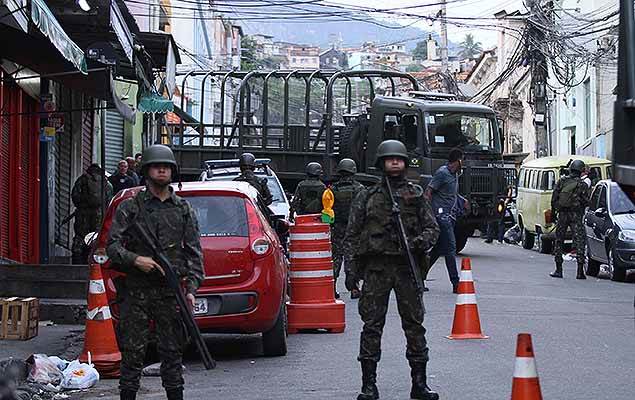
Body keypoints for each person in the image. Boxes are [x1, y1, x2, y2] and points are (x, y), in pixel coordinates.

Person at [106, 144, 204, 400]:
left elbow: (194, 254)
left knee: (172, 354)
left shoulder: (183, 209)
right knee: (133, 354)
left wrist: (191, 290)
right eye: (156, 166)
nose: (162, 170)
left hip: (169, 293)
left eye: (167, 166)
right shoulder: (131, 207)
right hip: (136, 291)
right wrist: (136, 260)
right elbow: (112, 247)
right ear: (146, 170)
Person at [345, 140, 440, 400]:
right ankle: (368, 385)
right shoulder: (367, 196)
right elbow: (352, 235)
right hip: (376, 269)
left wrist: (417, 243)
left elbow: (433, 229)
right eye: (390, 159)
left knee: (414, 325)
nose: (395, 162)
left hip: (406, 269)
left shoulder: (415, 194)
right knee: (372, 326)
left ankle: (419, 384)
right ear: (382, 163)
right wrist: (351, 272)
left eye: (399, 159)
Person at [425, 148, 465, 293]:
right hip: (442, 218)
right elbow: (428, 191)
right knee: (450, 248)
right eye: (462, 160)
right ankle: (455, 283)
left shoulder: (455, 176)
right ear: (458, 161)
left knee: (437, 249)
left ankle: (419, 277)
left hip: (451, 216)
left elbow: (451, 194)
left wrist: (462, 200)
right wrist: (429, 213)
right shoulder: (442, 173)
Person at [550, 159, 590, 279]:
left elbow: (554, 198)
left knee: (559, 241)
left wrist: (554, 213)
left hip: (562, 214)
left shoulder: (562, 181)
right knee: (579, 242)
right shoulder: (582, 185)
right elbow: (586, 201)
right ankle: (579, 271)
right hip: (576, 216)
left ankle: (558, 270)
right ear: (581, 170)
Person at [331, 158, 364, 299]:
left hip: (337, 228)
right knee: (351, 259)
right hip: (354, 229)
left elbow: (327, 210)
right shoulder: (360, 189)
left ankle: (331, 288)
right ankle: (354, 288)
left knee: (336, 258)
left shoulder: (332, 189)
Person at [70, 164, 113, 264]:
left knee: (80, 235)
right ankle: (95, 261)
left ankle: (77, 260)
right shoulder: (106, 183)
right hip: (99, 214)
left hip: (83, 214)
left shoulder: (82, 180)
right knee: (96, 236)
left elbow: (75, 196)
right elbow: (109, 201)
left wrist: (82, 206)